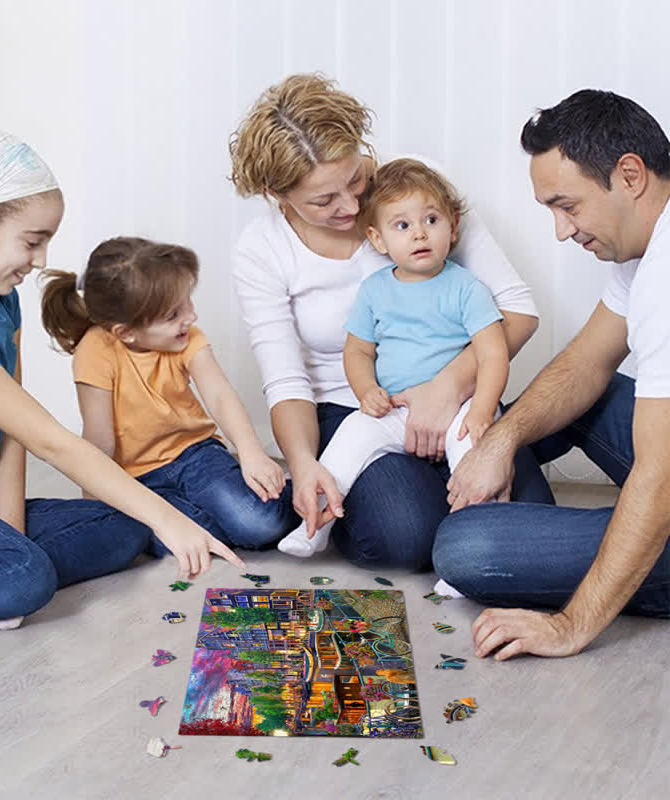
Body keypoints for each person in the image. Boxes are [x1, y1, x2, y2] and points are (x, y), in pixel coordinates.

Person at [0, 106, 243, 633]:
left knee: (121, 526)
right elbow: (52, 441)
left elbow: (13, 436)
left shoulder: (2, 302)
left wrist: (11, 531)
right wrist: (170, 520)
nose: (42, 258)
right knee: (23, 576)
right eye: (31, 240)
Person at [230, 73, 554, 569]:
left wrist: (446, 389)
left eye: (356, 178)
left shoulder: (417, 194)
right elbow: (287, 380)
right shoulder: (262, 249)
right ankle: (365, 502)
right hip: (353, 406)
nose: (353, 206)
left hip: (459, 388)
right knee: (407, 537)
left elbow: (517, 309)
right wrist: (303, 463)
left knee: (529, 518)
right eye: (324, 200)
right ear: (278, 194)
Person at [433, 89, 670, 660]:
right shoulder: (645, 248)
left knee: (468, 548)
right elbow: (586, 363)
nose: (563, 232)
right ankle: (497, 484)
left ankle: (605, 548)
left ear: (630, 174)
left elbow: (660, 477)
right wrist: (500, 441)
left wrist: (568, 626)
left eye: (569, 206)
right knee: (588, 393)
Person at [277, 158, 508, 557]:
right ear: (378, 239)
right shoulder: (375, 290)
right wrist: (366, 391)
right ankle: (314, 525)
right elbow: (359, 350)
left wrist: (482, 412)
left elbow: (493, 355)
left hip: (459, 409)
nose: (419, 233)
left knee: (475, 466)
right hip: (395, 408)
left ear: (453, 228)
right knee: (350, 439)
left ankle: (473, 550)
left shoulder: (466, 288)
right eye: (402, 226)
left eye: (431, 220)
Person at [40, 236, 299, 554]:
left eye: (187, 302)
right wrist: (99, 503)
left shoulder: (187, 337)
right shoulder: (95, 350)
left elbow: (219, 395)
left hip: (196, 454)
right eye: (173, 314)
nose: (190, 317)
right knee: (165, 541)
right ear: (126, 332)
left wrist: (251, 453)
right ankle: (226, 514)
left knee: (259, 524)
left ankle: (297, 490)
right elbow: (98, 438)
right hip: (137, 476)